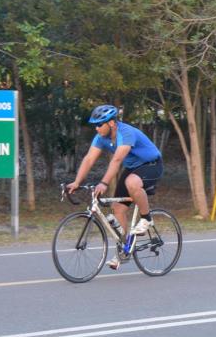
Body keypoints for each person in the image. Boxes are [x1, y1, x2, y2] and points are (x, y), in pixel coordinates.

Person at [66, 105, 163, 269]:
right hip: (133, 168)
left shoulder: (125, 133)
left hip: (152, 164)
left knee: (131, 182)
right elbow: (89, 159)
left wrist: (104, 183)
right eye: (95, 125)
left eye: (99, 124)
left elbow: (117, 161)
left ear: (111, 123)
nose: (96, 128)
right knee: (117, 208)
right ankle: (124, 250)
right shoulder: (100, 138)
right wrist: (76, 182)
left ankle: (147, 219)